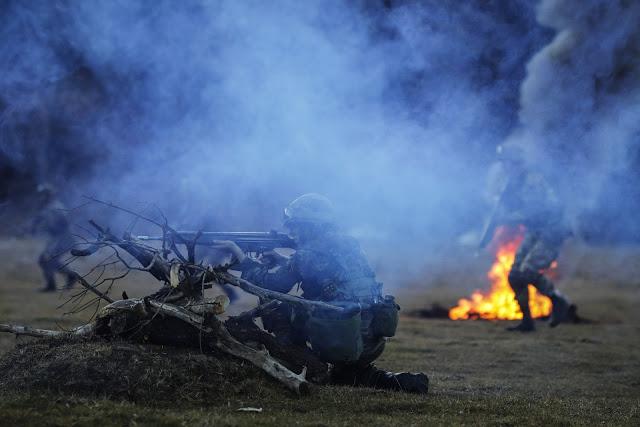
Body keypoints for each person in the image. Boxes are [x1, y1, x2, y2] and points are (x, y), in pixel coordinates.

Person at [215, 193, 428, 393]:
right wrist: (284, 261)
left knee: (278, 309)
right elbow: (325, 271)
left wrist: (242, 259)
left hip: (342, 338)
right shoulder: (349, 244)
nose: (292, 234)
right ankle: (363, 374)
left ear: (308, 228)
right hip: (369, 339)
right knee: (349, 376)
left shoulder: (307, 254)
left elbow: (270, 285)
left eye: (296, 227)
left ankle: (299, 362)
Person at [490, 145, 572, 332]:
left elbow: (534, 211)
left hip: (552, 230)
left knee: (528, 271)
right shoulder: (514, 181)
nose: (504, 167)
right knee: (514, 276)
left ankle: (558, 301)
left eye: (507, 163)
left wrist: (508, 217)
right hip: (535, 230)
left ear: (516, 163)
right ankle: (527, 322)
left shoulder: (531, 181)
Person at [31, 184, 76, 292]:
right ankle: (66, 277)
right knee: (45, 260)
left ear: (47, 196)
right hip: (58, 239)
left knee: (47, 260)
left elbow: (63, 223)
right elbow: (40, 221)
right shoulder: (48, 207)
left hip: (63, 239)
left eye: (42, 195)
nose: (40, 198)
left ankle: (58, 282)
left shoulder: (55, 207)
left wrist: (50, 228)